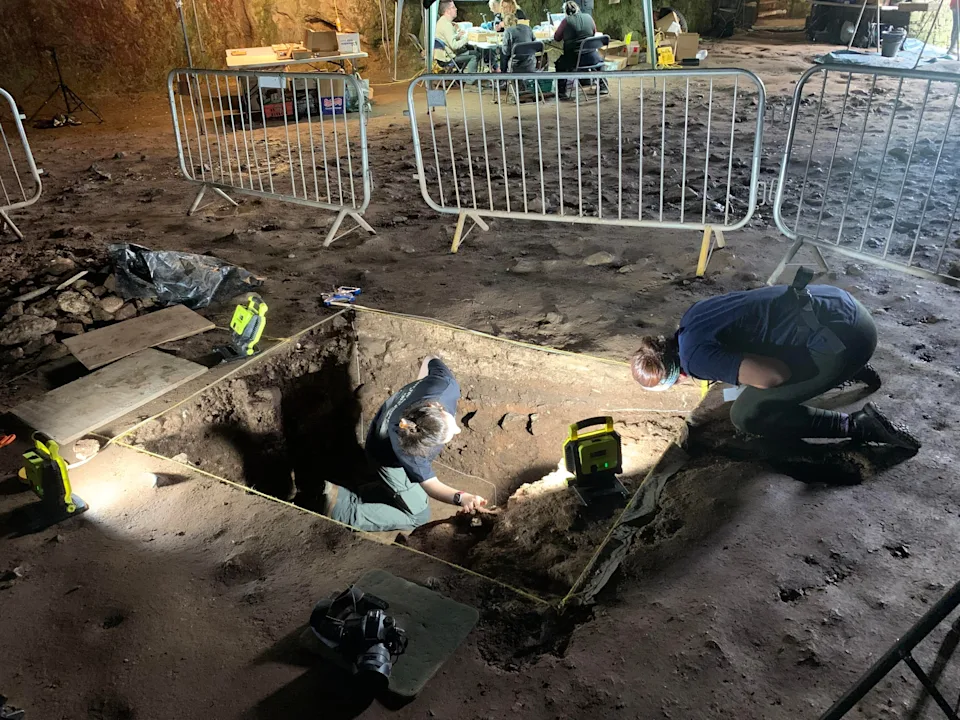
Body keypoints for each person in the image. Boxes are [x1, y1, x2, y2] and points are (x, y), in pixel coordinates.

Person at [629, 278, 921, 450]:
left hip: (849, 340)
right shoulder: (691, 318)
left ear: (673, 378)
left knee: (746, 413)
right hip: (841, 306)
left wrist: (746, 383)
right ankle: (847, 371)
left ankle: (859, 425)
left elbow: (774, 376)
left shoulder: (696, 360)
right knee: (758, 370)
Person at [323, 355, 488, 532]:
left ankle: (345, 493)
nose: (458, 430)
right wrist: (461, 497)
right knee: (419, 515)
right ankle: (341, 510)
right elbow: (431, 485)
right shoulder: (411, 451)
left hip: (379, 430)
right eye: (447, 435)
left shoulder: (443, 384)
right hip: (383, 456)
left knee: (404, 490)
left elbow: (429, 359)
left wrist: (420, 382)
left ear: (434, 407)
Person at [553, 1, 607, 100]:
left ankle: (561, 92)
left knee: (560, 64)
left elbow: (557, 37)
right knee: (599, 62)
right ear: (578, 9)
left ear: (566, 12)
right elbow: (594, 32)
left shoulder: (566, 21)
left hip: (574, 59)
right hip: (592, 57)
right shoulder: (589, 17)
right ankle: (603, 86)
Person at [435, 0, 479, 73]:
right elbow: (454, 46)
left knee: (472, 51)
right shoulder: (446, 25)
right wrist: (467, 38)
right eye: (453, 7)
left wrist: (457, 36)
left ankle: (459, 73)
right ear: (447, 11)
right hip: (448, 58)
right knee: (475, 56)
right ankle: (470, 79)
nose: (456, 9)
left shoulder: (443, 21)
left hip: (444, 55)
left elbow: (446, 39)